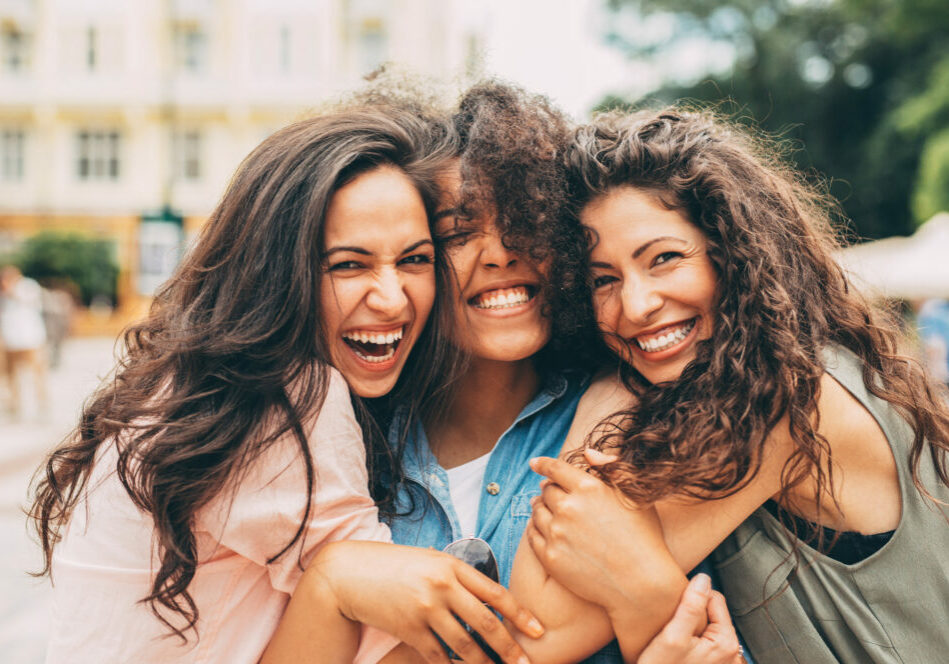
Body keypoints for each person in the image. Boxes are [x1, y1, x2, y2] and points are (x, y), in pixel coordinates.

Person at [29, 101, 546, 664]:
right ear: (276, 271)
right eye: (348, 265)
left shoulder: (196, 386)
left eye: (415, 260)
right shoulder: (281, 400)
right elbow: (418, 640)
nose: (392, 298)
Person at [284, 84, 745, 664]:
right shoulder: (337, 451)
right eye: (457, 232)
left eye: (526, 222)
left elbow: (711, 641)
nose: (501, 254)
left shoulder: (641, 421)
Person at [525, 108, 949, 663]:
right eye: (602, 280)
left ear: (738, 256)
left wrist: (606, 391)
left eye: (665, 259)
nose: (635, 305)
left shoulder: (787, 401)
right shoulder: (799, 368)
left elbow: (538, 631)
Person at [0, 264, 48, 417]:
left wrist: (11, 290)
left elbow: (29, 300)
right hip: (10, 341)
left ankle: (42, 404)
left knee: (37, 374)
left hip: (31, 339)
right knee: (11, 376)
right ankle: (15, 405)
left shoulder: (28, 286)